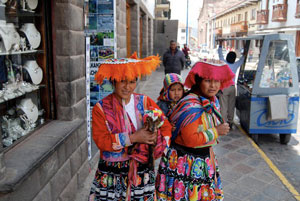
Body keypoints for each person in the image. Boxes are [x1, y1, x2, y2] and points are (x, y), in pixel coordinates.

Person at [89, 53, 172, 201]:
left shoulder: (145, 102)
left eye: (132, 81)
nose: (128, 87)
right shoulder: (101, 108)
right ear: (114, 81)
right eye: (122, 81)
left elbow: (165, 126)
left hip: (142, 172)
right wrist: (133, 137)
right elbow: (102, 141)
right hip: (112, 174)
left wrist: (158, 143)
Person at [156, 60, 233, 201]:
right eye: (208, 80)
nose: (213, 85)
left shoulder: (212, 100)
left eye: (217, 81)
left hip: (202, 158)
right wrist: (216, 131)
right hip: (186, 162)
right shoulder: (191, 104)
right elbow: (190, 139)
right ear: (198, 81)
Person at [217, 40, 245, 129]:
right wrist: (244, 47)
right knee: (231, 105)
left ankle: (223, 122)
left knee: (223, 106)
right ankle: (230, 121)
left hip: (224, 87)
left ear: (227, 57)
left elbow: (220, 54)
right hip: (233, 87)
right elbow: (242, 59)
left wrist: (220, 45)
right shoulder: (236, 65)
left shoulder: (223, 63)